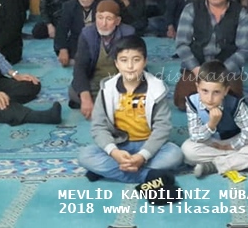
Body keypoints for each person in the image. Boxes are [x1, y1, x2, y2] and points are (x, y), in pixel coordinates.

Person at [77, 35, 183, 201]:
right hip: (119, 145)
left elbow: (162, 128)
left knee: (175, 154)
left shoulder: (156, 89)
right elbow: (98, 126)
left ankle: (110, 171)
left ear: (145, 61)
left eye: (136, 60)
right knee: (85, 155)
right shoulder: (107, 89)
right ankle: (149, 177)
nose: (130, 66)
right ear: (116, 63)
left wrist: (142, 156)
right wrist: (114, 153)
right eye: (124, 60)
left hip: (148, 146)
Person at [182, 61, 248, 178]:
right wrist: (211, 124)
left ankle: (214, 166)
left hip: (236, 140)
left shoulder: (235, 103)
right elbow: (195, 136)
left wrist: (233, 146)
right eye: (205, 91)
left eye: (216, 92)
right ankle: (245, 162)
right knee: (187, 150)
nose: (209, 98)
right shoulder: (192, 102)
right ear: (197, 87)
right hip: (211, 142)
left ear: (225, 91)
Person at [174, 0, 248, 111]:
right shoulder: (191, 9)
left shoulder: (240, 13)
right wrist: (197, 70)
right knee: (183, 102)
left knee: (232, 104)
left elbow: (244, 49)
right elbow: (181, 45)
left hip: (226, 68)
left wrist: (221, 73)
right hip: (197, 66)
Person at [69, 0, 135, 118]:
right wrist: (86, 99)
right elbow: (80, 67)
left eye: (109, 19)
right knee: (74, 91)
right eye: (100, 18)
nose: (103, 24)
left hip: (120, 81)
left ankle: (105, 104)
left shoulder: (128, 34)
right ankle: (107, 104)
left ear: (117, 21)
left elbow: (134, 67)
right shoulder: (87, 34)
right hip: (95, 82)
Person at [55, 0, 101, 67]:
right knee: (69, 60)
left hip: (98, 40)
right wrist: (62, 49)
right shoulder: (69, 6)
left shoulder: (102, 5)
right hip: (78, 40)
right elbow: (61, 30)